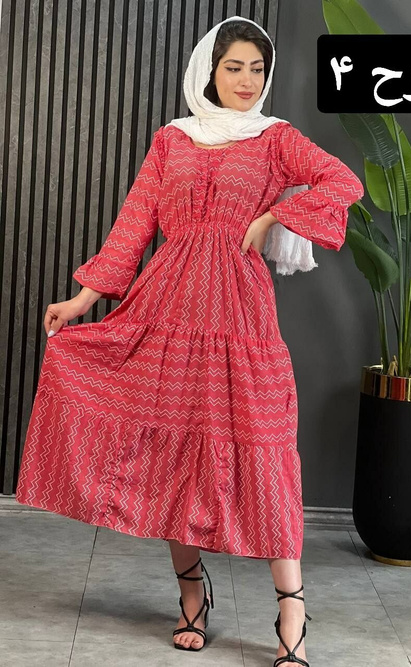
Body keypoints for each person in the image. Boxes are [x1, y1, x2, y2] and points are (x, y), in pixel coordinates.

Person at [15, 15, 363, 667]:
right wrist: (84, 299)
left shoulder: (276, 139)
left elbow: (344, 183)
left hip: (240, 315)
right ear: (210, 71)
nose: (247, 81)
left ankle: (292, 607)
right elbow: (134, 223)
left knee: (263, 448)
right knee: (174, 452)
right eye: (234, 68)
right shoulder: (173, 140)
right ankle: (192, 596)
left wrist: (275, 213)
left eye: (258, 70)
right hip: (165, 306)